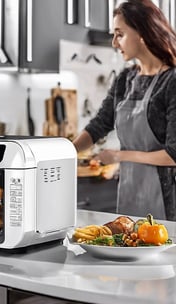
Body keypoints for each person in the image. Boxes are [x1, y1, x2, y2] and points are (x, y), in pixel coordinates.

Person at [73, 0, 176, 220]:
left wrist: (119, 155)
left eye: (119, 34)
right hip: (129, 193)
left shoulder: (171, 81)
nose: (114, 42)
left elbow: (173, 155)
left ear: (142, 33)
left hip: (167, 201)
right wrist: (66, 153)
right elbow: (100, 124)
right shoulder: (125, 79)